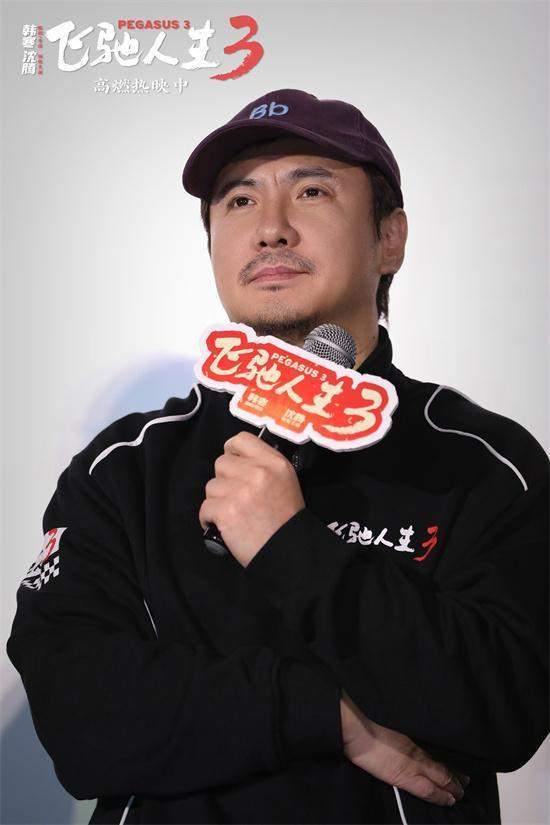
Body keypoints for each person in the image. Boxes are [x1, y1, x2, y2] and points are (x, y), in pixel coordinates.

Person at [6, 88, 549, 825]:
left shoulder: (484, 462)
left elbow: (509, 703)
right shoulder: (125, 468)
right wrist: (324, 715)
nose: (269, 229)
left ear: (390, 238)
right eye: (238, 201)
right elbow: (78, 714)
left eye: (312, 191)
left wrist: (293, 549)